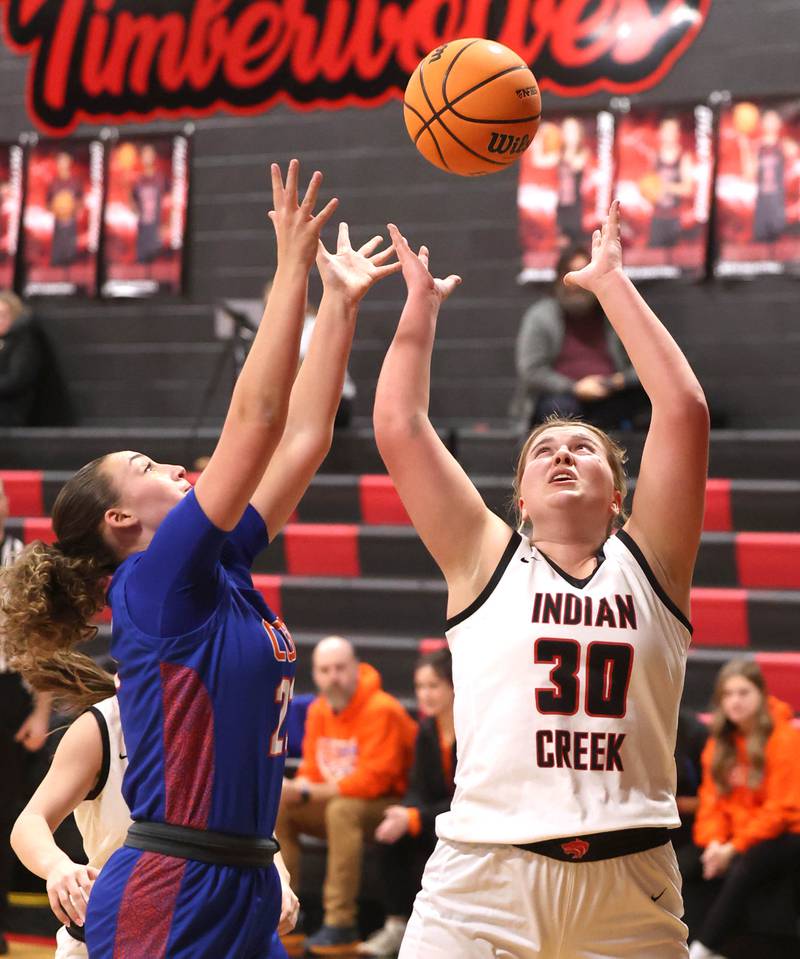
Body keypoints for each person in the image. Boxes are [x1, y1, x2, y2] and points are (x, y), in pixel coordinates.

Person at [0, 159, 400, 959]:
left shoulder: (217, 569)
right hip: (171, 883)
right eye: (149, 468)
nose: (177, 471)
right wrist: (289, 267)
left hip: (243, 877)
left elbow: (305, 438)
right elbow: (253, 420)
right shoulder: (152, 578)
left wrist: (338, 307)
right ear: (121, 519)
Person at [374, 201, 710, 958]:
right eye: (544, 449)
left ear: (619, 495)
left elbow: (683, 409)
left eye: (584, 449)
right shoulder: (484, 560)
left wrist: (613, 285)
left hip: (630, 883)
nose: (563, 453)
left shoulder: (651, 562)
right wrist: (418, 312)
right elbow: (398, 422)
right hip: (483, 880)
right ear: (519, 498)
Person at [275, 636, 417, 954]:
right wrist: (297, 789)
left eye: (340, 668)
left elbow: (373, 781)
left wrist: (309, 789)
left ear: (355, 668)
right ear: (316, 674)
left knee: (343, 810)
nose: (333, 677)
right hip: (341, 801)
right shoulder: (319, 709)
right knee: (282, 805)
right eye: (325, 670)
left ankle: (340, 923)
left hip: (389, 804)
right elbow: (313, 769)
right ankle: (287, 912)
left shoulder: (383, 709)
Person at [687, 659, 800, 959]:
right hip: (742, 833)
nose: (735, 701)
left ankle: (703, 947)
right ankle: (697, 942)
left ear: (761, 695)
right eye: (727, 694)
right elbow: (712, 801)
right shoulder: (720, 742)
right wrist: (714, 842)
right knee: (692, 864)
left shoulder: (784, 737)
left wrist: (733, 848)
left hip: (787, 831)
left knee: (751, 859)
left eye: (743, 692)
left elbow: (782, 809)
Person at [362, 648, 456, 957]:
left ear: (455, 686)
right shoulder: (426, 730)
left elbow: (466, 798)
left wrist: (415, 817)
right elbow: (417, 787)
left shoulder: (474, 730)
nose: (425, 694)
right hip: (434, 818)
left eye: (433, 686)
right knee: (390, 837)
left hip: (464, 822)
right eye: (419, 686)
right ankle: (396, 925)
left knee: (416, 830)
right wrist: (405, 813)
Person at [0, 477, 52, 956]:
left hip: (10, 694)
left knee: (5, 810)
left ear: (6, 503)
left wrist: (41, 710)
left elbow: (41, 640)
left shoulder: (23, 559)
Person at [510, 245, 642, 431]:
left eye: (583, 273)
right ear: (559, 278)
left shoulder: (614, 315)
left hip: (611, 392)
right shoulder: (540, 316)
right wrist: (575, 388)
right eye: (571, 274)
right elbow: (532, 370)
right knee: (562, 411)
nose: (577, 284)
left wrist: (617, 381)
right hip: (562, 396)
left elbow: (647, 363)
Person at [738, 109, 799, 244]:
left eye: (774, 120)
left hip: (780, 202)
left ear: (779, 124)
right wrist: (744, 149)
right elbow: (749, 176)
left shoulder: (786, 145)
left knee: (780, 243)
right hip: (762, 203)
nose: (771, 123)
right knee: (760, 244)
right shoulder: (755, 146)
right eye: (767, 120)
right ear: (761, 123)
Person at [648, 117, 694, 249]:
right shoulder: (654, 156)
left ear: (678, 134)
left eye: (673, 131)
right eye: (666, 131)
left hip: (676, 218)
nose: (669, 135)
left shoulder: (684, 157)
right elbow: (648, 185)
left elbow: (687, 188)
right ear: (660, 133)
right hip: (657, 217)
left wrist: (665, 187)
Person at [0, 291, 43, 426]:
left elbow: (16, 380)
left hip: (12, 409)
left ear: (14, 316)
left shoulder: (24, 341)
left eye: (2, 315)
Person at [47, 152, 82, 268]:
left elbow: (80, 200)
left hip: (71, 221)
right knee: (57, 255)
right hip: (58, 221)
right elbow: (48, 202)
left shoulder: (75, 181)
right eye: (60, 161)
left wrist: (72, 209)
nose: (62, 164)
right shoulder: (53, 183)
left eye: (65, 161)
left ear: (69, 162)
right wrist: (57, 209)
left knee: (70, 257)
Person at [132, 144, 164, 264]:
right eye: (145, 155)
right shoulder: (137, 181)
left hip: (156, 230)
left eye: (149, 155)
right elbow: (133, 203)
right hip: (143, 231)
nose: (147, 158)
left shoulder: (160, 178)